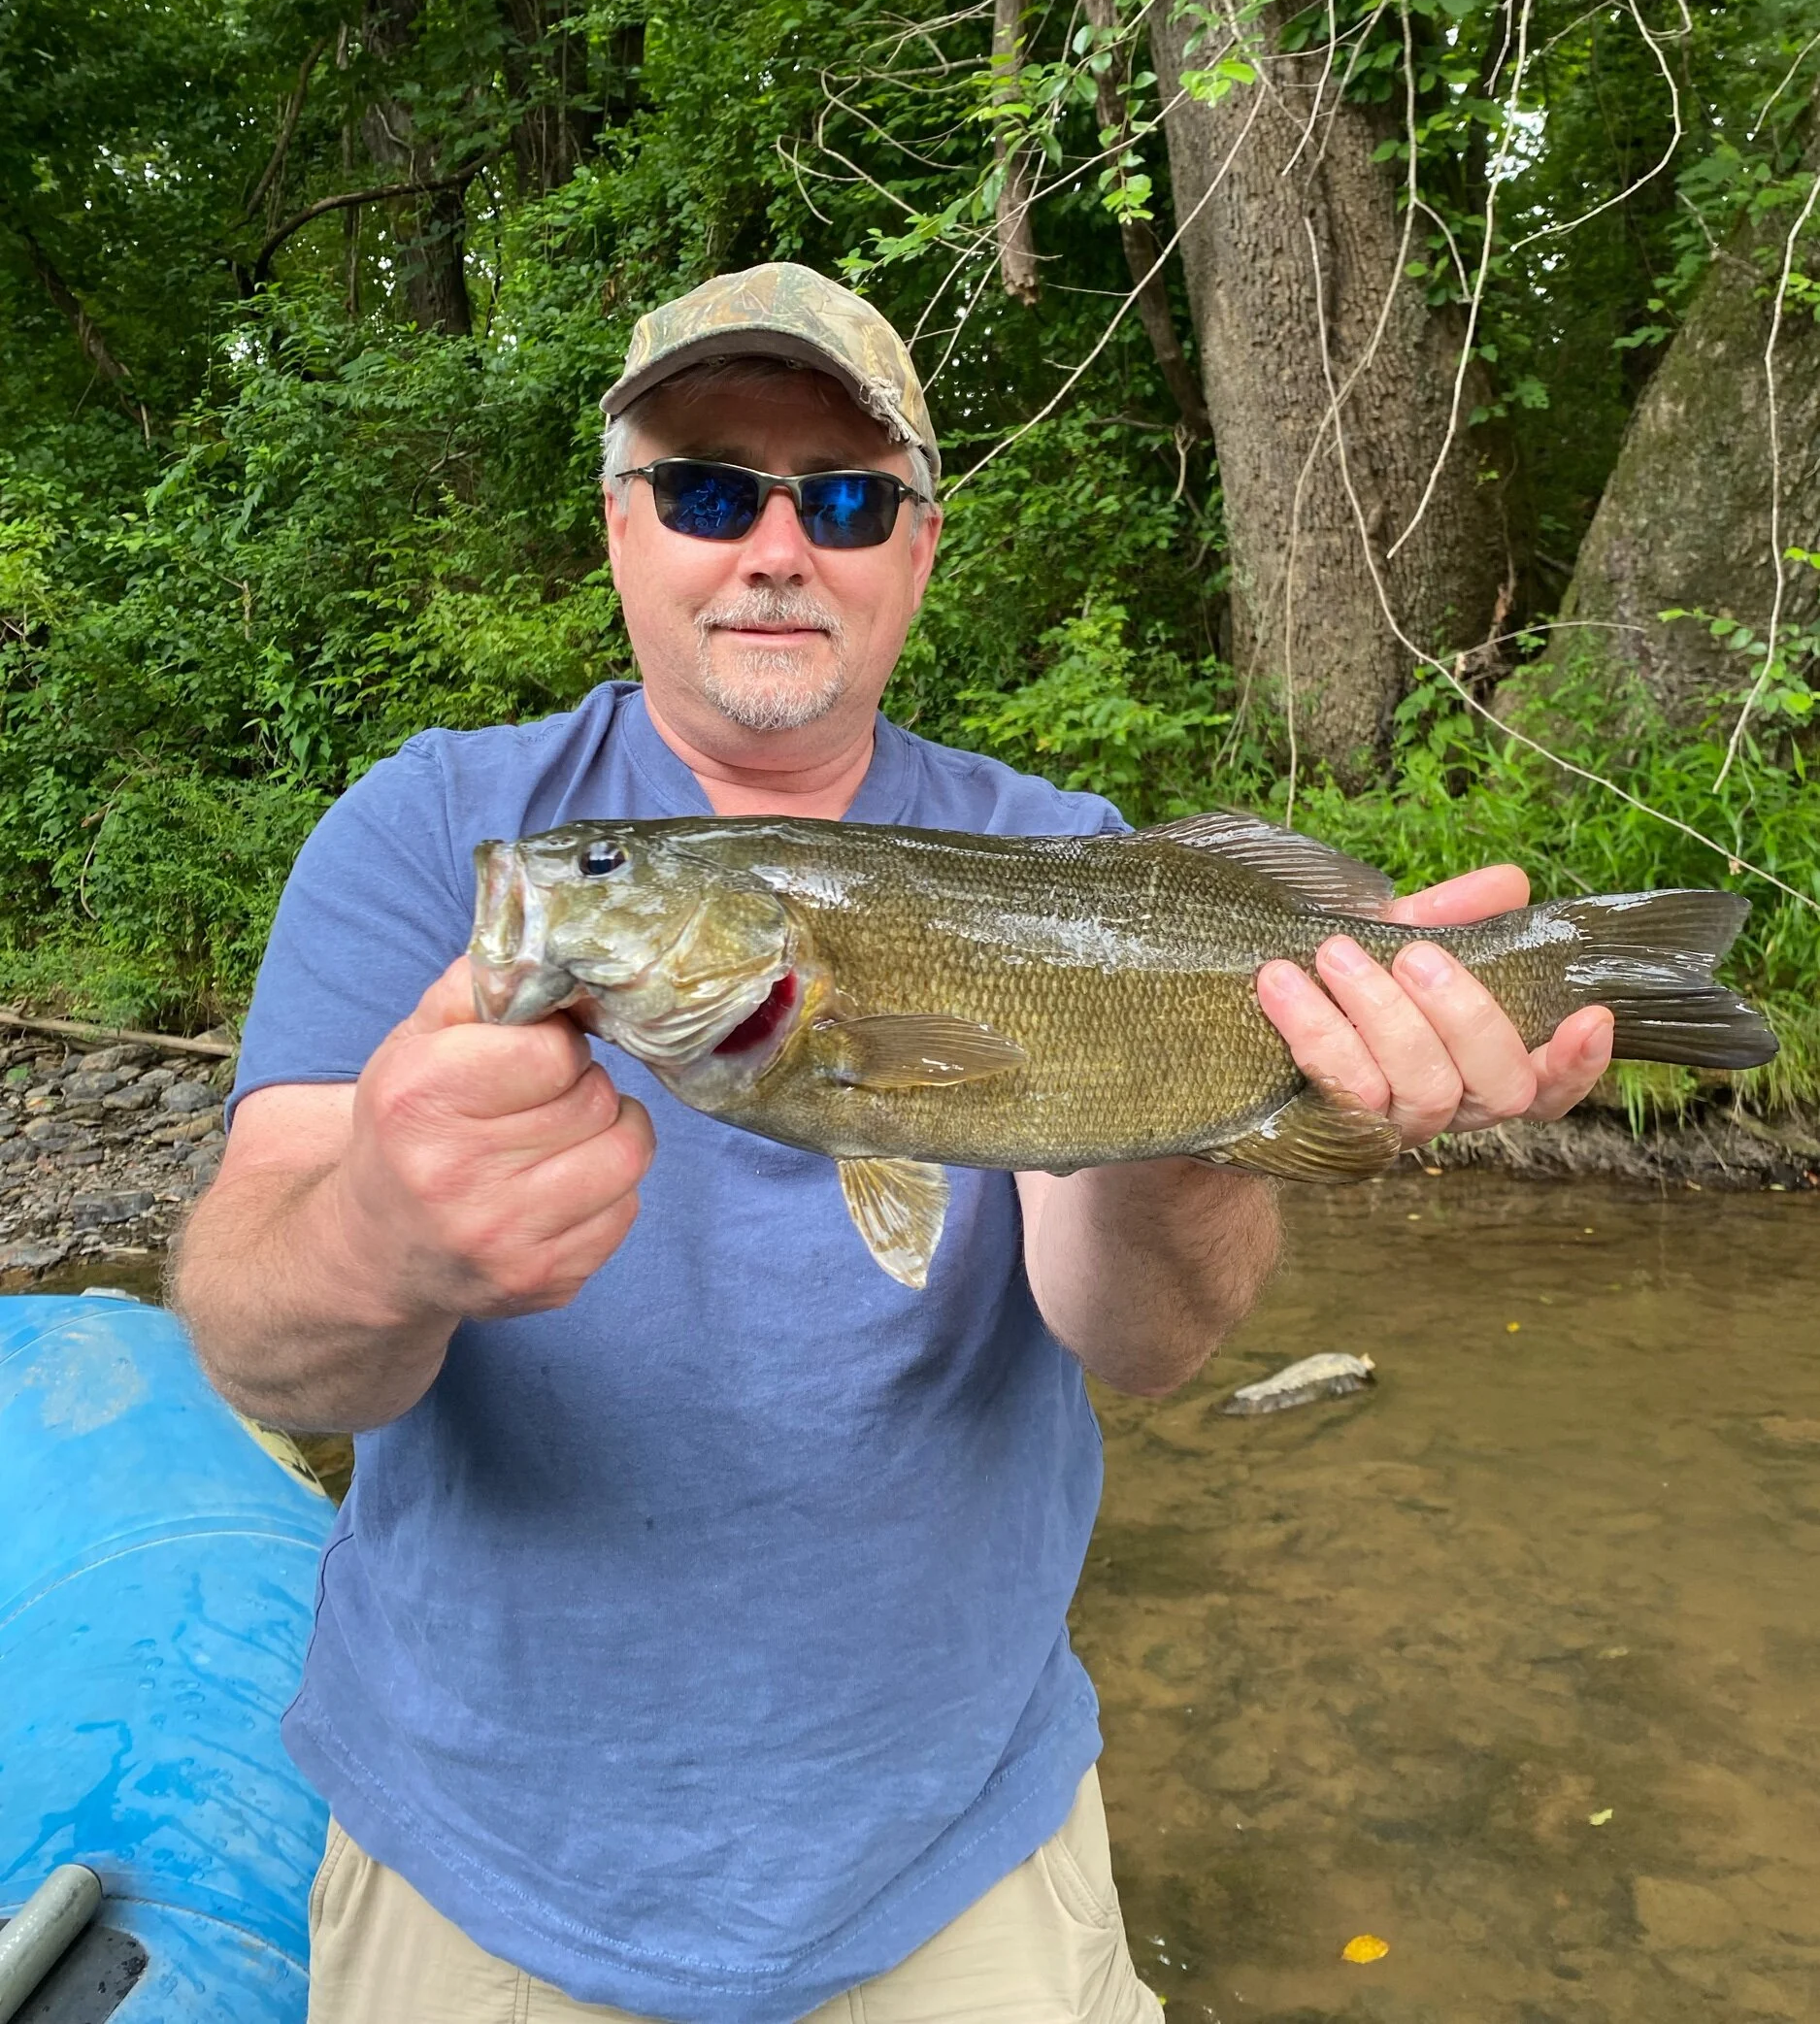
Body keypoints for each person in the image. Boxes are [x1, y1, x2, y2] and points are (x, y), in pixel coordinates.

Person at [172, 263, 1614, 2024]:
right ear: (622, 529)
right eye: (711, 488)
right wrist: (378, 1236)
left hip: (958, 1863)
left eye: (845, 500)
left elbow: (1146, 1348)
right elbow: (257, 1337)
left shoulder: (1067, 847)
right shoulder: (437, 836)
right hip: (488, 1871)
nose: (777, 546)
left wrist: (1227, 1113)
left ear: (916, 551)